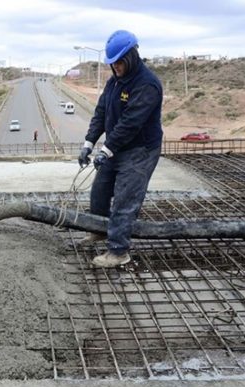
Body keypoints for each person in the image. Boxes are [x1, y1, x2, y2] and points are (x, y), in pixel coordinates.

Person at [77, 30, 163, 268]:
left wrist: (107, 149)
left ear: (132, 56)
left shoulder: (148, 85)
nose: (114, 67)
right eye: (111, 63)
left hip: (140, 150)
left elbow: (131, 123)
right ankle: (99, 231)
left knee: (125, 199)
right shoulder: (114, 81)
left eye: (118, 62)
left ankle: (118, 251)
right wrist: (89, 143)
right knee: (100, 191)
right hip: (116, 147)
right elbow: (101, 112)